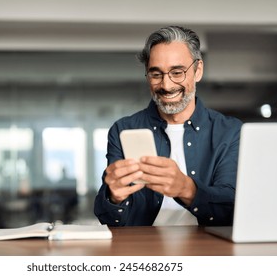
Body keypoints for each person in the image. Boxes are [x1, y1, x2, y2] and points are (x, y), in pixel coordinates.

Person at [94, 25, 242, 226]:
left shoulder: (230, 133)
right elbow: (110, 220)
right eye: (156, 74)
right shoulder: (123, 130)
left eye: (177, 72)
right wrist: (114, 197)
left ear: (198, 71)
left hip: (209, 250)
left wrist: (186, 189)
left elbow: (234, 209)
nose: (166, 85)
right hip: (143, 251)